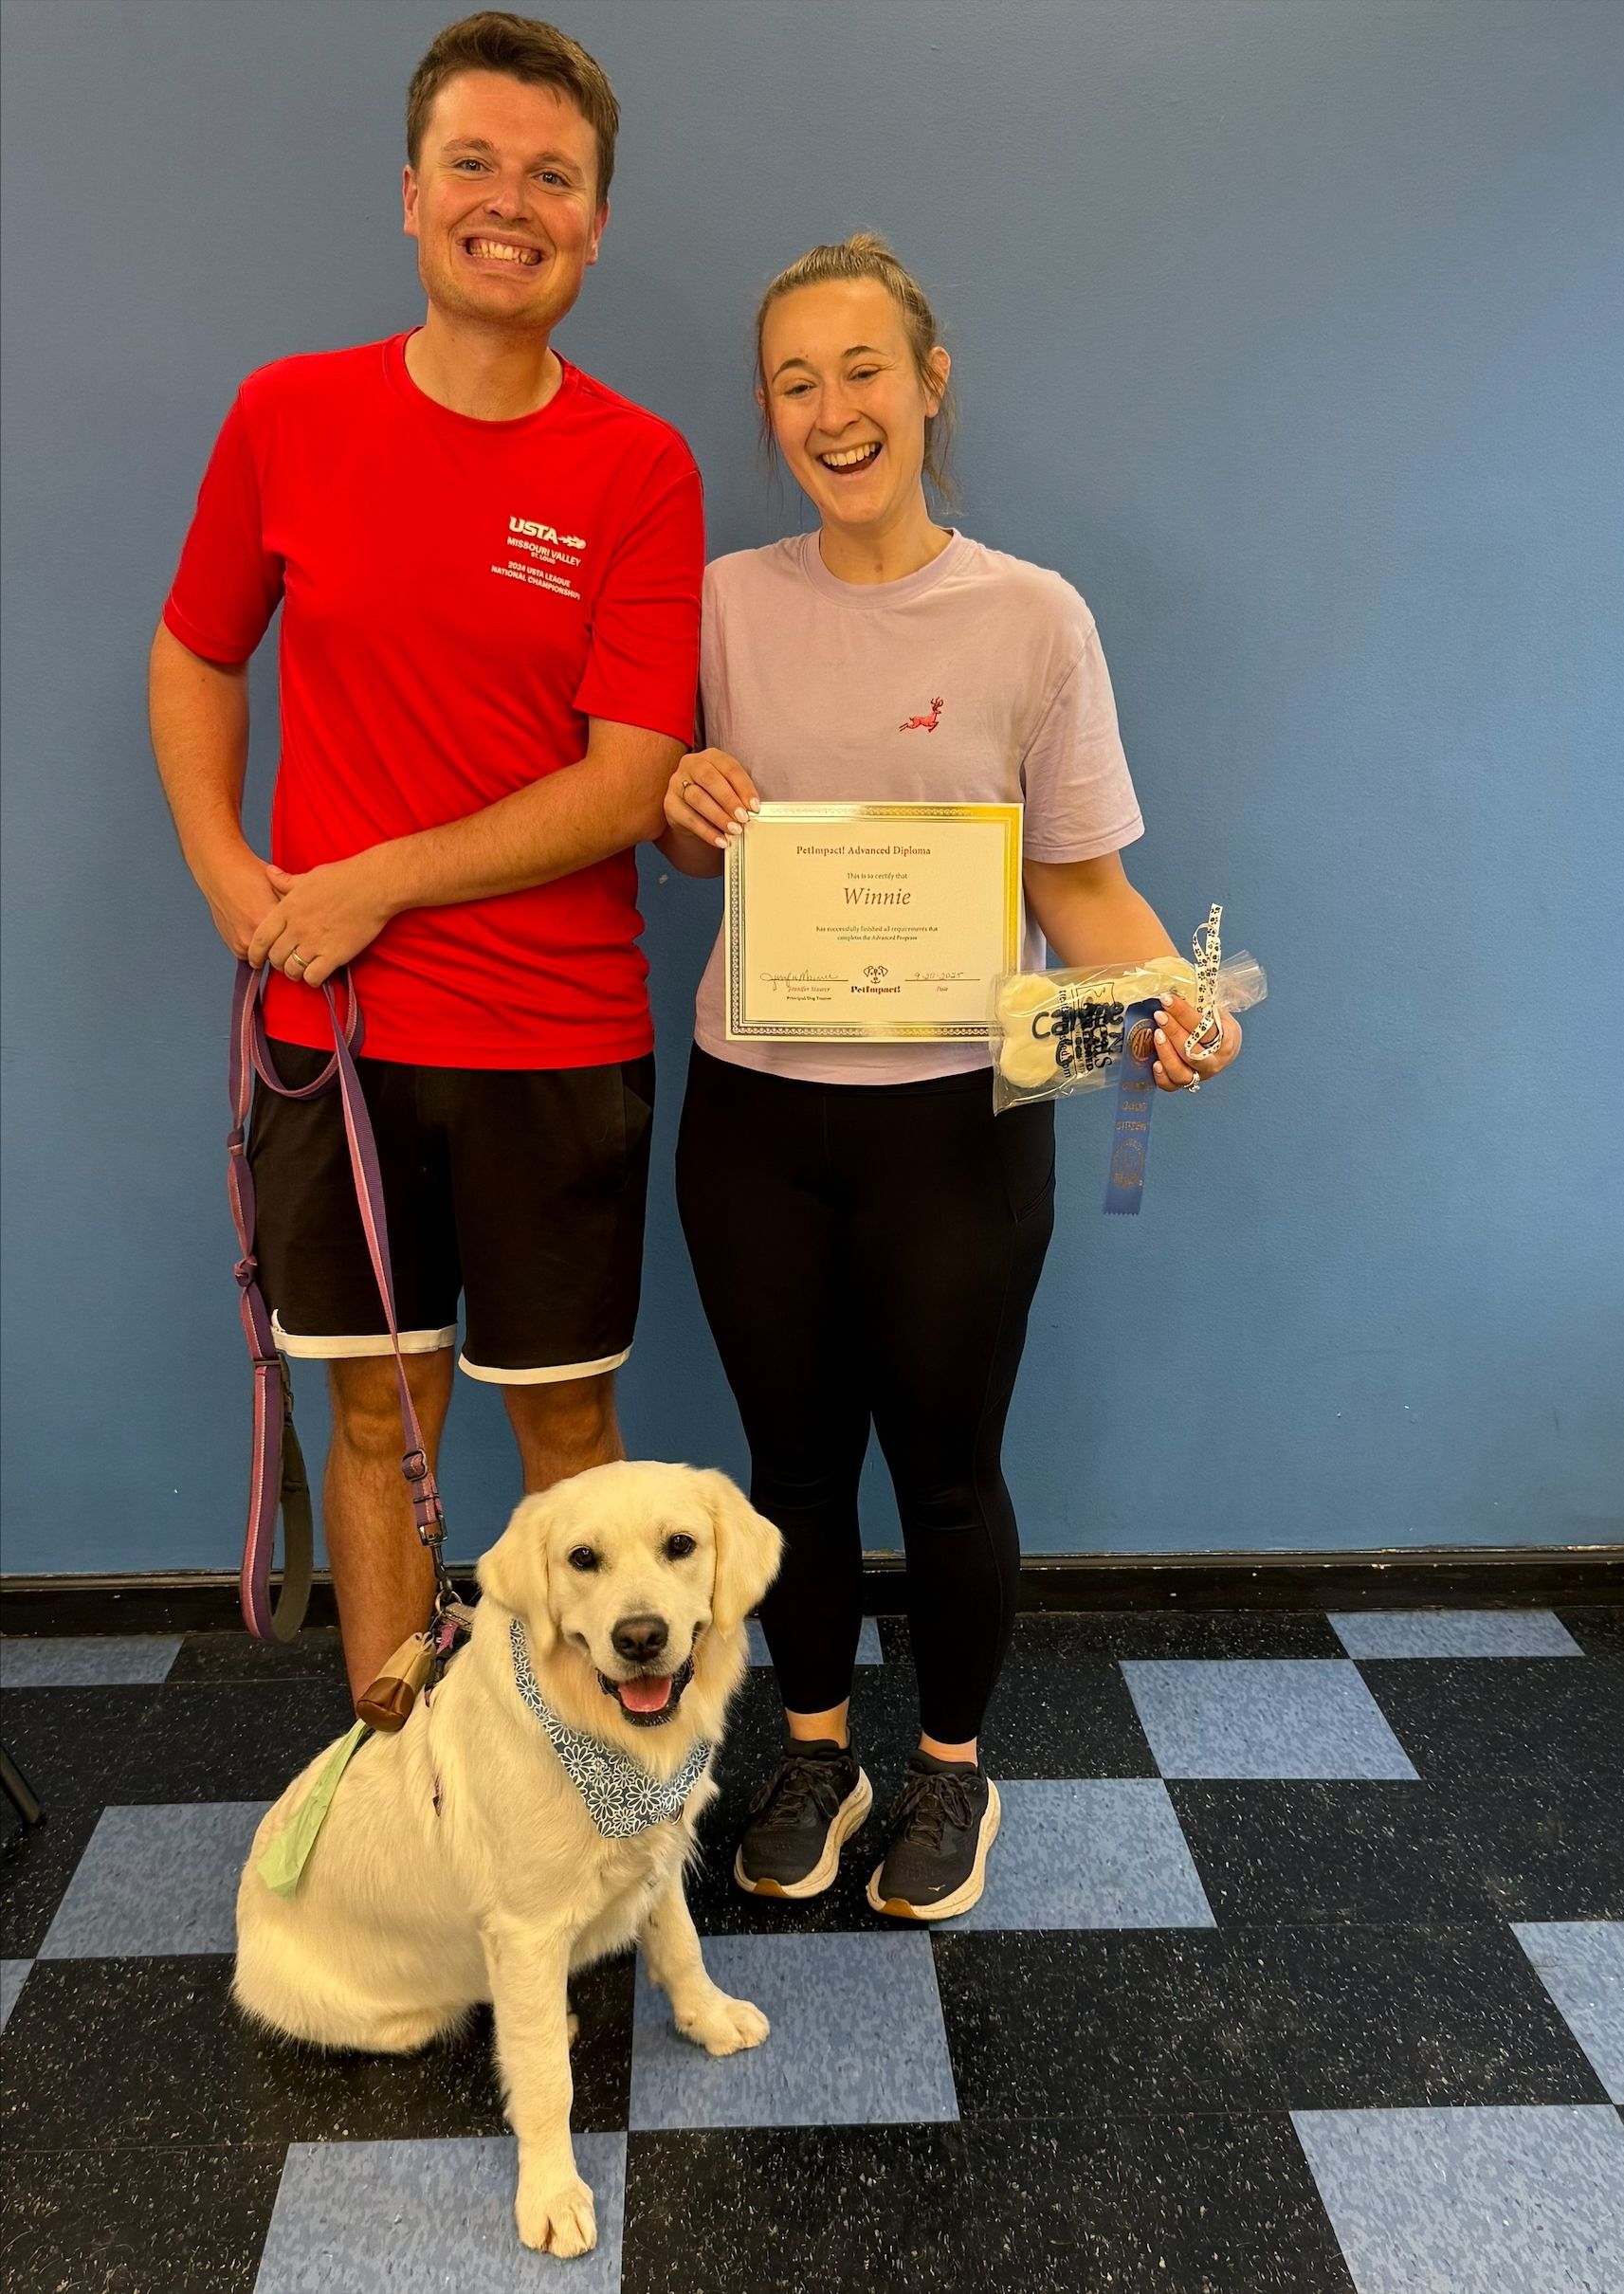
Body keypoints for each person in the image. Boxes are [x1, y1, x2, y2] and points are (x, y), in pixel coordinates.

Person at [662, 234, 1244, 1921]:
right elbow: (656, 811)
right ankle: (824, 1750)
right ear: (767, 412)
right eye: (794, 383)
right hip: (753, 1112)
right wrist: (679, 803)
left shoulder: (1031, 616)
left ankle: (950, 1775)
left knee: (948, 1465)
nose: (832, 412)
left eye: (863, 372)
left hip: (955, 1123)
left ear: (930, 387)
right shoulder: (717, 603)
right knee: (790, 1463)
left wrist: (1172, 1003)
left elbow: (1081, 886)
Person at [150, 13, 702, 1707]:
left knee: (569, 1431)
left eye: (554, 176)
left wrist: (372, 877)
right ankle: (401, 1805)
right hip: (337, 1047)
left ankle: (580, 1798)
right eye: (474, 163)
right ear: (410, 194)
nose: (509, 202)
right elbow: (195, 652)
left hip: (557, 1040)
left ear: (598, 223)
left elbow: (628, 785)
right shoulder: (288, 416)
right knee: (379, 1419)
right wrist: (227, 875)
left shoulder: (637, 467)